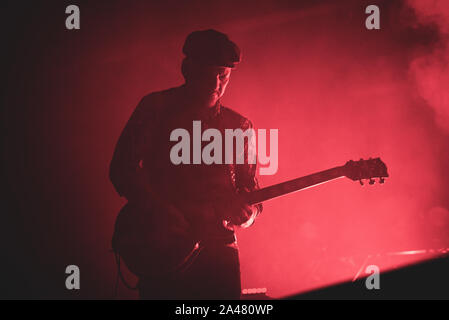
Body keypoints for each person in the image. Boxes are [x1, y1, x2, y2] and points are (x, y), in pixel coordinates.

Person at [110, 29, 262, 299]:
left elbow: (252, 193)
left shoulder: (240, 127)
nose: (216, 83)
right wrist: (163, 212)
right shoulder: (155, 108)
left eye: (223, 75)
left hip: (219, 249)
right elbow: (121, 169)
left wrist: (248, 214)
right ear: (187, 69)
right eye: (208, 73)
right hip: (163, 244)